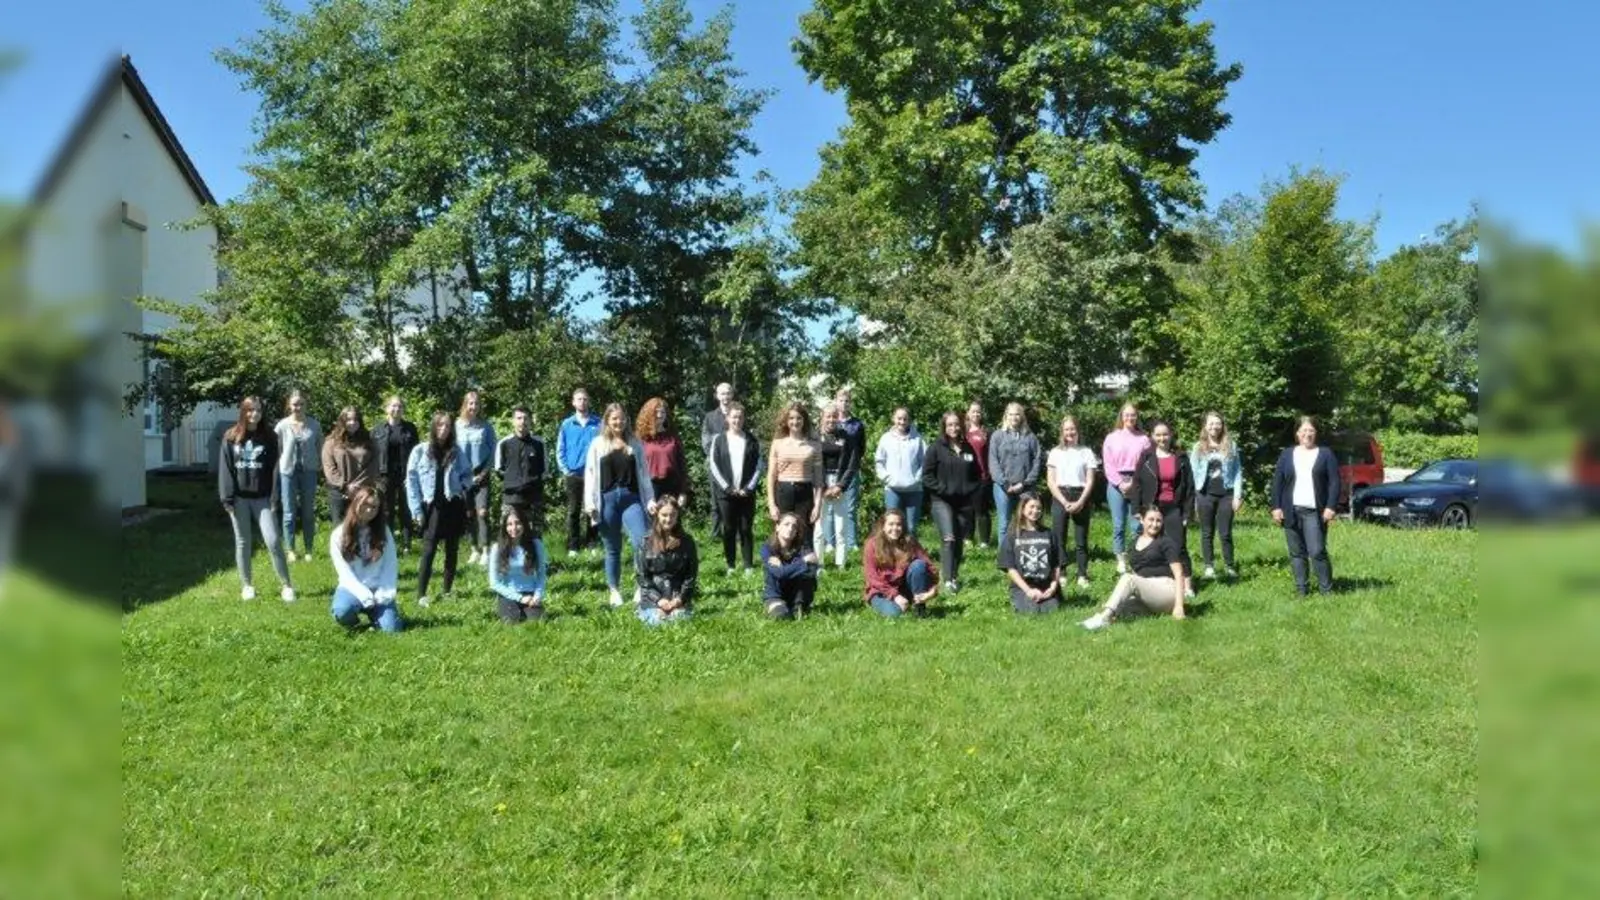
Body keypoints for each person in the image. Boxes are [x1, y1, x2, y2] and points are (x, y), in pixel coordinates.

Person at [218, 396, 296, 602]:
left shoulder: (270, 437)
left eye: (258, 410)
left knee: (273, 541)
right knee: (243, 542)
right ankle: (247, 585)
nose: (254, 414)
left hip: (263, 499)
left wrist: (274, 497)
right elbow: (225, 469)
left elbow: (275, 470)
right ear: (243, 412)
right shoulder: (230, 436)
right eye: (250, 410)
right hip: (239, 499)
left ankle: (287, 586)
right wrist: (227, 499)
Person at [584, 403, 656, 607]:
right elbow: (590, 475)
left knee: (641, 542)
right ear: (607, 421)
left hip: (631, 499)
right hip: (607, 501)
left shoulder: (635, 444)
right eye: (614, 418)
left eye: (622, 418)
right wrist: (590, 503)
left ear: (627, 420)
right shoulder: (598, 444)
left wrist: (650, 500)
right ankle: (614, 590)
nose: (619, 422)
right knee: (612, 548)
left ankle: (640, 586)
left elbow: (644, 475)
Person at [1081, 505, 1189, 630]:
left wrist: (1179, 606)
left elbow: (1179, 573)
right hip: (1147, 591)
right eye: (1151, 519)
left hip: (1167, 589)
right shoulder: (1133, 543)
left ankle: (1103, 618)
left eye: (1158, 520)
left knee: (1128, 578)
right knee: (1121, 606)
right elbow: (1137, 573)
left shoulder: (1165, 542)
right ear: (1142, 520)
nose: (1155, 524)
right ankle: (1104, 619)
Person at [406, 411, 473, 607]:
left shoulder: (457, 452)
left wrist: (461, 487)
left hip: (453, 505)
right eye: (439, 425)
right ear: (434, 427)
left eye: (447, 426)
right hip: (431, 508)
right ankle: (421, 594)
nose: (443, 429)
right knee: (428, 551)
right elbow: (411, 481)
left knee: (452, 550)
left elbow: (468, 475)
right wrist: (416, 509)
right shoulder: (420, 451)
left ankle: (447, 590)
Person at [1270, 415, 1341, 597]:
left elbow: (1335, 482)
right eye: (1303, 431)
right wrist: (1276, 507)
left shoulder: (1325, 454)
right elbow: (1277, 482)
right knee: (1296, 552)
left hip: (1314, 512)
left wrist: (1331, 507)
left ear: (1316, 433)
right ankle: (1302, 589)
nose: (1307, 434)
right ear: (1297, 433)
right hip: (1291, 510)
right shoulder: (1287, 454)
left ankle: (1326, 590)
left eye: (1311, 430)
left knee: (1317, 551)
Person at [1129, 420, 1195, 598]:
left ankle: (1187, 585)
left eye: (1165, 434)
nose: (1162, 438)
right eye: (1158, 435)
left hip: (1174, 508)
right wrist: (1136, 508)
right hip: (1152, 508)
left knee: (1179, 546)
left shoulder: (1181, 457)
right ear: (1152, 436)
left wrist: (1187, 513)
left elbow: (1189, 487)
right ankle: (1146, 581)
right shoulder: (1146, 457)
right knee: (1150, 545)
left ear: (1171, 435)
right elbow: (1137, 483)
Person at [329, 484, 403, 633]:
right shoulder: (338, 535)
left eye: (374, 507)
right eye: (365, 505)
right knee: (342, 612)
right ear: (356, 503)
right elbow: (345, 573)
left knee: (392, 630)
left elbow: (390, 565)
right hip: (352, 588)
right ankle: (355, 619)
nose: (369, 510)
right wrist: (365, 596)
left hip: (379, 588)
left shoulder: (384, 532)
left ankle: (379, 615)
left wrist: (383, 593)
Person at [922, 411, 981, 593]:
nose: (954, 428)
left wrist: (970, 490)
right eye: (950, 425)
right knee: (949, 538)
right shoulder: (936, 448)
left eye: (956, 424)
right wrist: (943, 490)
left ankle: (953, 575)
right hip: (942, 501)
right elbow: (926, 476)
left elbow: (977, 474)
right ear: (944, 427)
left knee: (959, 541)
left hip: (964, 503)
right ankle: (946, 580)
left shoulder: (968, 448)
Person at [707, 403, 762, 575]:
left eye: (740, 417)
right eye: (734, 417)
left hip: (746, 492)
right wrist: (727, 487)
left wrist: (749, 487)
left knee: (746, 529)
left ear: (743, 419)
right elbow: (713, 465)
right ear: (727, 418)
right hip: (726, 494)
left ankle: (748, 565)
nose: (737, 420)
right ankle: (731, 564)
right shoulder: (719, 439)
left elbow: (759, 466)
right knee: (729, 529)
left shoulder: (752, 440)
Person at [1045, 415, 1098, 590]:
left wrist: (1081, 501)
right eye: (1066, 429)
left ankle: (1082, 574)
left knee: (1081, 540)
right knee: (1059, 538)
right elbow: (1051, 481)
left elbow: (1090, 480)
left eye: (1072, 429)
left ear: (1077, 431)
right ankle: (1062, 573)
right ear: (1062, 432)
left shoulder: (1086, 452)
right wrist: (1064, 501)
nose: (1070, 432)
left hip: (1080, 495)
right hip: (1060, 495)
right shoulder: (1055, 452)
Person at [1190, 411, 1243, 580]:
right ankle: (1209, 567)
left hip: (1226, 495)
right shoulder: (1198, 447)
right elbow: (1192, 472)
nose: (1214, 426)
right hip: (1204, 494)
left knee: (1225, 533)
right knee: (1207, 532)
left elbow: (1237, 472)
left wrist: (1237, 496)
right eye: (1211, 423)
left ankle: (1229, 566)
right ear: (1205, 426)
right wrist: (1192, 499)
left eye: (1217, 423)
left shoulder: (1231, 446)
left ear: (1222, 426)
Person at [1101, 402, 1152, 574]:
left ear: (1137, 417)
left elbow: (1147, 464)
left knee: (1137, 525)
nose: (1130, 418)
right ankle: (1121, 559)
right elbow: (1107, 464)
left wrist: (1134, 482)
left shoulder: (1144, 439)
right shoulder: (1111, 438)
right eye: (1127, 415)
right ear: (1121, 417)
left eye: (1133, 415)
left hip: (1137, 484)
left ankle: (1136, 556)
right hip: (1116, 484)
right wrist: (1120, 483)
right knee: (1118, 525)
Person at [274, 390, 322, 562]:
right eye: (295, 404)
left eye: (301, 404)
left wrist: (318, 466)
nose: (298, 407)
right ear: (289, 405)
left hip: (309, 472)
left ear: (306, 405)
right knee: (289, 513)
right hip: (287, 472)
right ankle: (290, 549)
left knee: (308, 512)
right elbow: (275, 449)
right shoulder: (281, 426)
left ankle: (309, 548)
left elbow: (320, 447)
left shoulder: (314, 425)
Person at [862, 508, 937, 617]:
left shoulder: (910, 542)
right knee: (895, 613)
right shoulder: (871, 545)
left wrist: (932, 591)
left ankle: (920, 608)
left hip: (903, 588)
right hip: (880, 591)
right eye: (890, 524)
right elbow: (872, 578)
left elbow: (931, 568)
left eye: (898, 524)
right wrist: (895, 596)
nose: (895, 528)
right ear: (883, 526)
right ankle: (891, 604)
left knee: (919, 565)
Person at [767, 402, 823, 546]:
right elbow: (771, 476)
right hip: (783, 490)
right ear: (786, 421)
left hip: (805, 492)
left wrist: (817, 505)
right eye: (791, 418)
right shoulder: (778, 443)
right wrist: (772, 504)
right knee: (783, 532)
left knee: (805, 531)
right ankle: (783, 565)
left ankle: (806, 566)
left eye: (799, 418)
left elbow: (818, 479)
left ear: (804, 420)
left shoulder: (814, 445)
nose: (795, 422)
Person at [635, 497, 697, 626]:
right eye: (664, 515)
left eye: (672, 515)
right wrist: (658, 600)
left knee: (678, 621)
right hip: (652, 598)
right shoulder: (645, 542)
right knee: (658, 621)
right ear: (657, 514)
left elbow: (690, 576)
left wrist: (679, 600)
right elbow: (642, 577)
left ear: (677, 516)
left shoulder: (687, 542)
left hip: (678, 597)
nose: (668, 519)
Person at [370, 396, 420, 553]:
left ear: (403, 409)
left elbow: (416, 453)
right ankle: (389, 543)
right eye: (393, 406)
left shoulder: (410, 429)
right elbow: (371, 455)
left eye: (399, 406)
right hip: (384, 475)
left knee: (405, 510)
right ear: (386, 408)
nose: (396, 409)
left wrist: (413, 475)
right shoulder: (377, 430)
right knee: (386, 510)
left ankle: (407, 545)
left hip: (405, 475)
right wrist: (375, 477)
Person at [815, 402, 861, 570]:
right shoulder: (814, 437)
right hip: (821, 484)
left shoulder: (847, 437)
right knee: (819, 527)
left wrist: (840, 486)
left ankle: (840, 564)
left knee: (841, 526)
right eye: (828, 416)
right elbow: (812, 464)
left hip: (840, 483)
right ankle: (819, 564)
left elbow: (852, 464)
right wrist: (823, 487)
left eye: (834, 416)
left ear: (838, 418)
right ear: (822, 417)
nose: (831, 420)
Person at [987, 401, 1042, 543]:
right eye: (1011, 414)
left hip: (1025, 487)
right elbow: (993, 462)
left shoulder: (1030, 437)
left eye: (1017, 414)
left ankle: (1024, 553)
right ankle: (1004, 559)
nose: (1014, 417)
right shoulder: (997, 436)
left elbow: (1037, 462)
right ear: (1006, 416)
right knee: (1004, 523)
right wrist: (1005, 484)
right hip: (1002, 487)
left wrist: (1024, 483)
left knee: (1027, 521)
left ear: (1022, 417)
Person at [555, 388, 601, 557]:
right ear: (573, 402)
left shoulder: (598, 423)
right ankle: (573, 546)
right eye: (579, 399)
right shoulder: (567, 424)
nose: (582, 402)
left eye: (585, 399)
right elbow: (560, 449)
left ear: (589, 402)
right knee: (573, 511)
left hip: (593, 474)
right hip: (573, 474)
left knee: (592, 509)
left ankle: (592, 543)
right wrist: (565, 470)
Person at [455, 391, 498, 566]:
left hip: (482, 474)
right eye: (470, 403)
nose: (473, 407)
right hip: (463, 475)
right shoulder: (456, 425)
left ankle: (486, 549)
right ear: (465, 405)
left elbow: (494, 451)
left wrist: (484, 472)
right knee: (469, 513)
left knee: (483, 512)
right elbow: (452, 451)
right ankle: (474, 549)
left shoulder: (486, 427)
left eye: (476, 404)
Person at [999, 493, 1061, 615]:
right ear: (1022, 509)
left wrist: (1053, 587)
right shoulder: (1012, 536)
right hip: (1022, 588)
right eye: (1031, 507)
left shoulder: (1049, 534)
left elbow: (1057, 564)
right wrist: (1028, 590)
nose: (1035, 511)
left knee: (1049, 610)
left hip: (1046, 587)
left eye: (1039, 508)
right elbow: (1010, 568)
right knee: (1031, 611)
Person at [488, 505, 549, 624]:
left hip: (530, 593)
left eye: (517, 523)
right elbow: (494, 583)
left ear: (524, 525)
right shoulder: (497, 548)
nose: (514, 528)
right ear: (504, 527)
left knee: (538, 622)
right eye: (509, 524)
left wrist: (537, 595)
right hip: (508, 594)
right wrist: (520, 598)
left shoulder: (536, 545)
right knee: (511, 622)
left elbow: (542, 574)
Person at [495, 405, 547, 535]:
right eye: (519, 418)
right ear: (513, 421)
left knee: (535, 535)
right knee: (508, 534)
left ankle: (536, 556)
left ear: (530, 421)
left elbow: (545, 470)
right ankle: (506, 555)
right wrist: (514, 483)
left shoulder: (539, 443)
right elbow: (498, 470)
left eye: (525, 418)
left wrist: (531, 482)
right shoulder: (504, 443)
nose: (522, 422)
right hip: (511, 497)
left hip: (534, 497)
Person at [874, 407, 926, 534]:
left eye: (905, 419)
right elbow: (879, 461)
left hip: (914, 490)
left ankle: (910, 554)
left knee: (911, 527)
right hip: (892, 490)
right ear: (893, 419)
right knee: (892, 527)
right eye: (899, 418)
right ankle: (891, 554)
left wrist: (917, 479)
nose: (902, 422)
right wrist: (887, 478)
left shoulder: (918, 439)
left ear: (909, 420)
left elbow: (925, 461)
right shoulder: (885, 438)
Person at [321, 405, 376, 524]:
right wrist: (346, 486)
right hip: (339, 491)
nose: (352, 423)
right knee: (340, 529)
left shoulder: (368, 440)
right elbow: (329, 468)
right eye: (348, 420)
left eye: (355, 419)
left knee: (362, 528)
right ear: (342, 421)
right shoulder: (331, 442)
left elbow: (373, 465)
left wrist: (358, 486)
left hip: (363, 491)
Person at [761, 511, 819, 619]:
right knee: (781, 616)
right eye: (786, 524)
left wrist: (784, 569)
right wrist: (802, 562)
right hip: (775, 594)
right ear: (777, 527)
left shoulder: (804, 548)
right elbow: (778, 574)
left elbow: (811, 572)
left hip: (798, 594)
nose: (790, 528)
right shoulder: (767, 548)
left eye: (794, 526)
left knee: (807, 579)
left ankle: (799, 607)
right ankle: (782, 608)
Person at [637, 397, 690, 513]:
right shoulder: (642, 439)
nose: (660, 415)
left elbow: (682, 466)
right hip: (651, 487)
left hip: (672, 486)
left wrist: (683, 491)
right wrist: (646, 496)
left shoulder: (672, 436)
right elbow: (637, 469)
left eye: (663, 412)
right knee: (653, 526)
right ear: (649, 414)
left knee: (673, 524)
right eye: (656, 412)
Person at [700, 383, 735, 537]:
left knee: (735, 497)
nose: (725, 397)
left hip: (735, 463)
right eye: (722, 393)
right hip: (715, 463)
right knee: (715, 500)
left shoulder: (738, 414)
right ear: (717, 396)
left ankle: (735, 532)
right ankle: (715, 533)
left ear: (732, 395)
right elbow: (705, 441)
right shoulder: (710, 417)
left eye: (728, 393)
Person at [834, 386, 866, 552]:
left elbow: (862, 447)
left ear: (850, 403)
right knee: (832, 506)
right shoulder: (831, 422)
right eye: (841, 400)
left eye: (847, 401)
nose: (844, 404)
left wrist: (854, 463)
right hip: (833, 470)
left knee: (851, 506)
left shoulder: (857, 424)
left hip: (851, 469)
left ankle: (852, 542)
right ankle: (831, 543)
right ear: (836, 402)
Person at [964, 401, 993, 547]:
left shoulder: (986, 432)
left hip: (982, 476)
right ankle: (968, 538)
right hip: (965, 477)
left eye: (978, 412)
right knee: (967, 508)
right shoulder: (962, 432)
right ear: (968, 413)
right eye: (973, 411)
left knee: (981, 509)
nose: (975, 414)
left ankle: (984, 541)